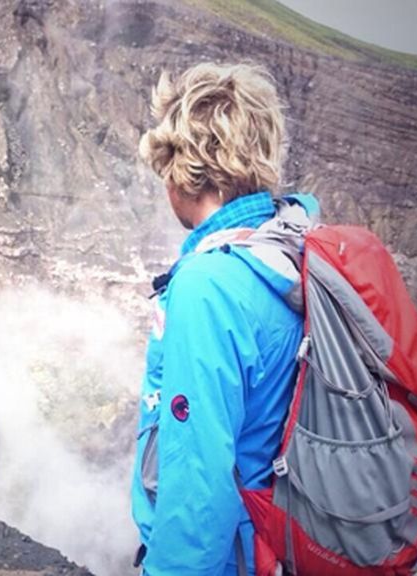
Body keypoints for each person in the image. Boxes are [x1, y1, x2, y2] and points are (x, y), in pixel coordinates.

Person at [131, 62, 308, 575]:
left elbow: (198, 483)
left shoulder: (208, 287)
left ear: (184, 172)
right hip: (278, 541)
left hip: (237, 556)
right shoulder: (288, 249)